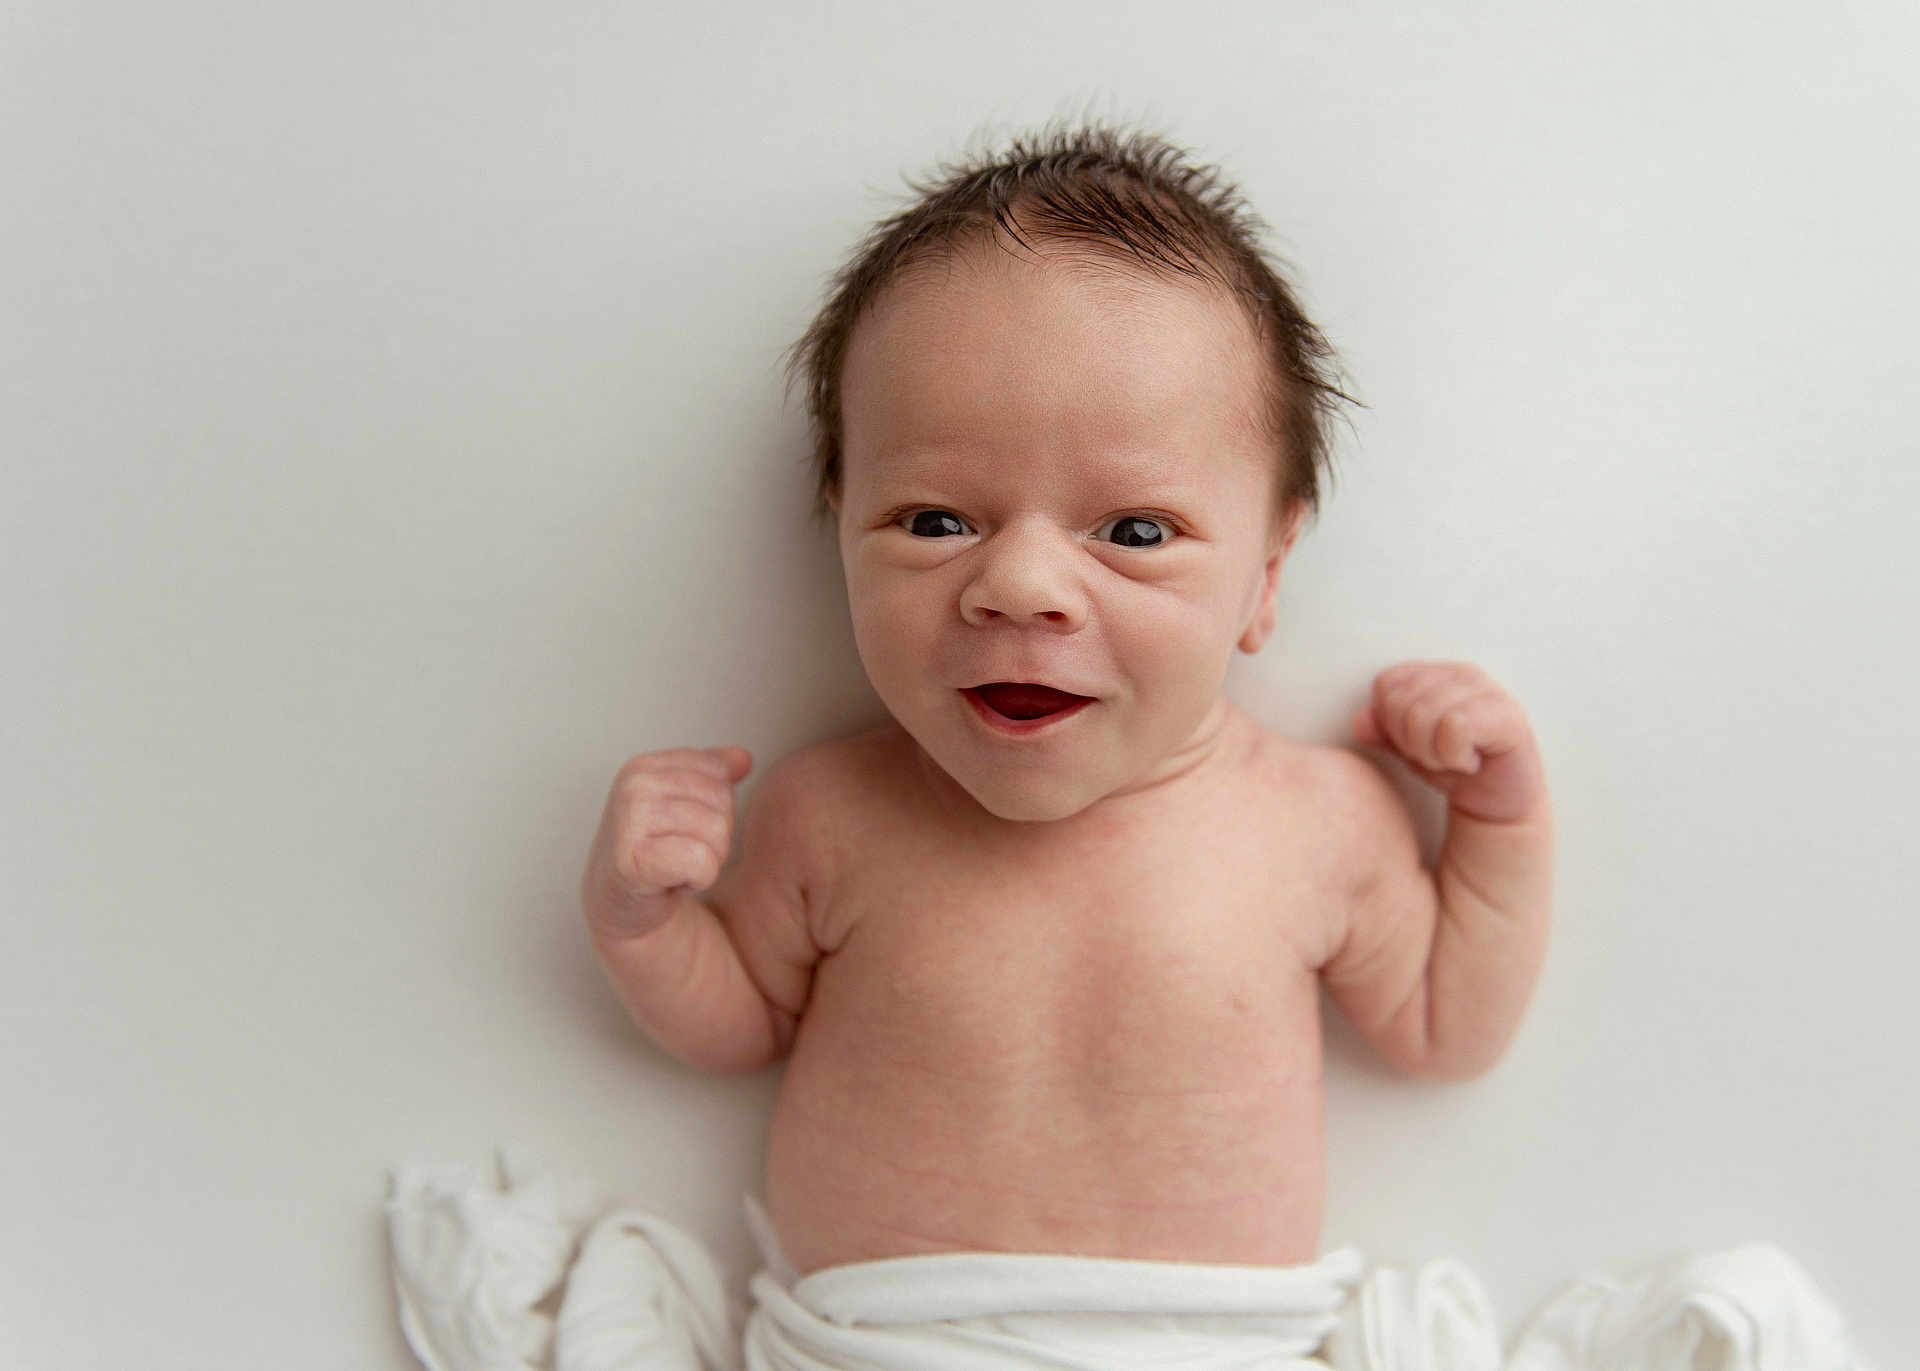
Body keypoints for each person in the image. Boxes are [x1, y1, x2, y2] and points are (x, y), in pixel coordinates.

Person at [576, 120, 1555, 1362]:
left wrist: (1500, 823)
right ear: (838, 531)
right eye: (934, 519)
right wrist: (647, 926)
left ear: (1266, 576)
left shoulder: (1316, 820)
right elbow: (738, 1026)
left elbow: (1443, 1028)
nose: (1022, 586)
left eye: (1134, 532)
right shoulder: (834, 812)